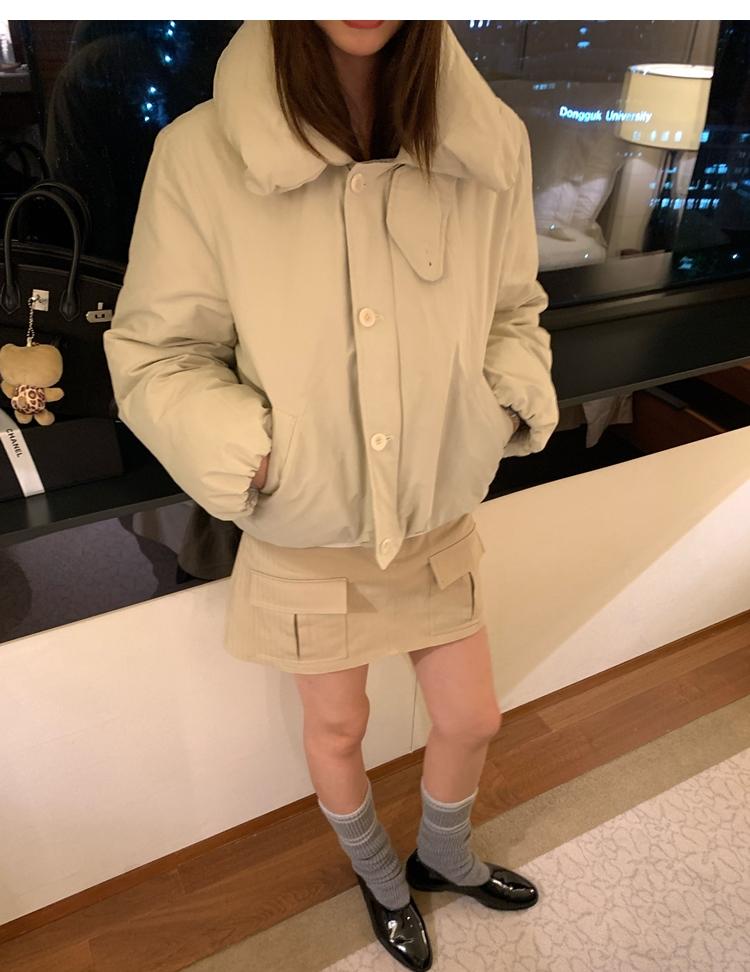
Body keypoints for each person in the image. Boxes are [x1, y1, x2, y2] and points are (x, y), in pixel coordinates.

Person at [103, 19, 559, 971]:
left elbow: (514, 308)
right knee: (339, 726)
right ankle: (379, 876)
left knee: (472, 716)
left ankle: (442, 856)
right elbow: (157, 352)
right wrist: (263, 457)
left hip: (433, 513)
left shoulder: (491, 142)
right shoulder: (200, 152)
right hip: (310, 524)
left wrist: (495, 404)